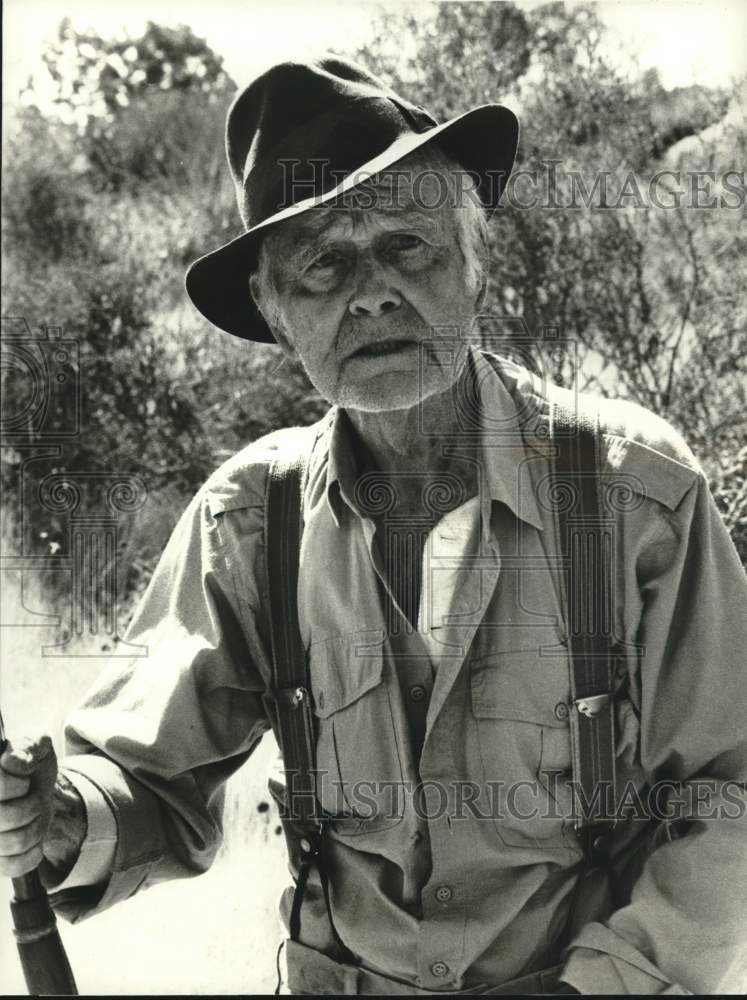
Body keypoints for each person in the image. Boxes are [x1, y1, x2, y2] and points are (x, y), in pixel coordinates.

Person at [1, 57, 746, 996]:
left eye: (407, 247)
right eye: (323, 264)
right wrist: (65, 820)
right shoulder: (249, 522)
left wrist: (611, 980)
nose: (372, 295)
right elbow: (145, 781)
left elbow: (726, 792)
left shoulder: (636, 497)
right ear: (272, 311)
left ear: (473, 263)